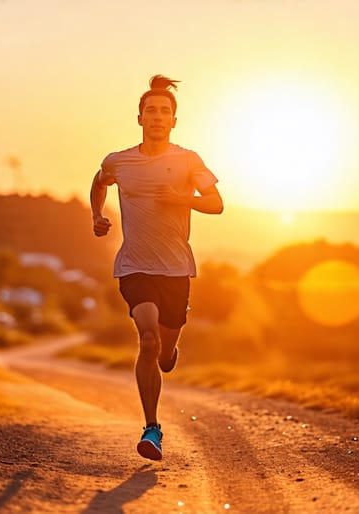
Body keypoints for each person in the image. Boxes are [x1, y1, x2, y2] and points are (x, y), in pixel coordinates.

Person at [89, 74, 224, 461]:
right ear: (140, 118)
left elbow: (216, 203)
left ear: (174, 121)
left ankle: (168, 354)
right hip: (134, 266)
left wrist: (184, 197)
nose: (158, 117)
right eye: (151, 111)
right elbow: (100, 182)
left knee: (164, 352)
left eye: (165, 111)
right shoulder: (119, 161)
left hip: (177, 270)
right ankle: (152, 428)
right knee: (147, 340)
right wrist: (97, 215)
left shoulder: (188, 160)